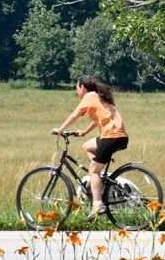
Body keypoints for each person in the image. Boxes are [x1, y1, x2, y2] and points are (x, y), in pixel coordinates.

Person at [52, 76, 129, 221]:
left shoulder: (89, 96)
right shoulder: (98, 98)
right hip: (117, 136)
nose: (76, 92)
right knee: (87, 146)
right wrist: (85, 132)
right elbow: (97, 120)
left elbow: (75, 115)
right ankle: (99, 177)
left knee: (93, 170)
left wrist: (60, 130)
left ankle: (98, 204)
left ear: (82, 87)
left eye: (77, 88)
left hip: (111, 136)